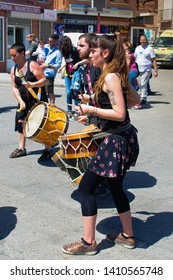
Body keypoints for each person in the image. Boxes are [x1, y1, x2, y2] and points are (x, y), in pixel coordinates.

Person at [62, 34, 140, 255]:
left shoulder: (110, 77)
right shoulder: (114, 75)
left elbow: (120, 112)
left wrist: (92, 110)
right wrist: (92, 108)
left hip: (116, 141)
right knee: (115, 187)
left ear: (104, 53)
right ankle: (128, 236)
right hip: (121, 137)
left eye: (94, 52)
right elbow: (135, 101)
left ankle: (88, 243)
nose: (91, 55)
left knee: (85, 189)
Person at [9, 43, 52, 161]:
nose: (12, 58)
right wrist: (20, 101)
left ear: (22, 53)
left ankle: (48, 149)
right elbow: (14, 87)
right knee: (21, 123)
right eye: (11, 56)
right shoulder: (13, 69)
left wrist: (32, 84)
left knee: (42, 124)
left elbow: (44, 80)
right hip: (24, 101)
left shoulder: (32, 65)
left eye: (14, 55)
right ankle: (21, 148)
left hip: (37, 100)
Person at [58, 35, 81, 119]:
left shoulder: (74, 50)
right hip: (67, 74)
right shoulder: (64, 51)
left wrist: (77, 65)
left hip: (75, 73)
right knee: (68, 92)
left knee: (74, 92)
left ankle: (77, 111)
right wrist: (61, 68)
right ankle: (69, 111)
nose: (60, 45)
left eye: (61, 43)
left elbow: (80, 61)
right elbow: (66, 62)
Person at [134, 34, 158, 105]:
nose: (143, 42)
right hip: (138, 69)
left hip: (146, 69)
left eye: (144, 40)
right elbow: (134, 57)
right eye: (141, 40)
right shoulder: (137, 48)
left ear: (146, 40)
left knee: (143, 83)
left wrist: (156, 71)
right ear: (139, 41)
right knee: (139, 84)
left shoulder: (150, 49)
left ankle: (143, 99)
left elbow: (154, 60)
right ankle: (141, 96)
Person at [40, 34, 62, 105]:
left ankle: (52, 106)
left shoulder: (58, 52)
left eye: (51, 41)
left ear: (56, 41)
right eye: (49, 41)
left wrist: (48, 65)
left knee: (49, 91)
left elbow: (58, 65)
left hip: (49, 74)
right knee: (40, 91)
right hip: (41, 72)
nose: (49, 43)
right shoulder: (45, 47)